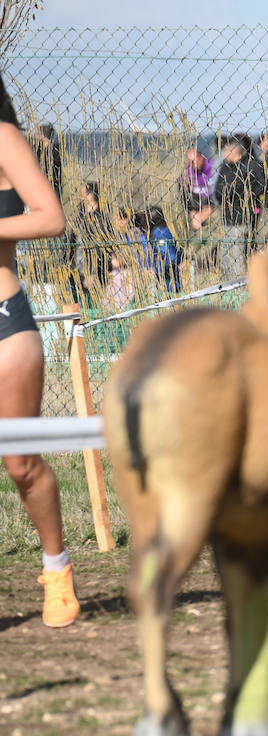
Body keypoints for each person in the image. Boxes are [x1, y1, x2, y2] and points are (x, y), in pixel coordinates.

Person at [0, 76, 80, 627]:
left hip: (4, 322)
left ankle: (57, 568)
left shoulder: (3, 136)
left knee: (21, 464)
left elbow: (50, 217)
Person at [212, 135, 268, 280]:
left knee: (239, 254)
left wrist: (242, 195)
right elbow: (218, 190)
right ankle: (227, 283)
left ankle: (239, 285)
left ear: (236, 151)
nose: (224, 154)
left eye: (226, 150)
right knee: (226, 254)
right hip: (226, 217)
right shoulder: (226, 166)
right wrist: (230, 191)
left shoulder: (252, 165)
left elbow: (261, 186)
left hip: (243, 217)